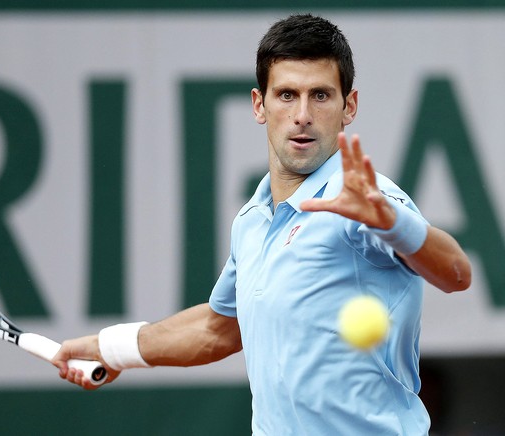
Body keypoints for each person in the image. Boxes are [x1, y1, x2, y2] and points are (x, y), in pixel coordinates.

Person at [52, 14, 472, 435]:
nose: (302, 114)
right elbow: (219, 329)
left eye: (321, 96)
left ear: (349, 107)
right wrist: (112, 349)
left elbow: (456, 274)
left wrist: (394, 223)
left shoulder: (365, 201)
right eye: (287, 95)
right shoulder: (252, 220)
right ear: (259, 104)